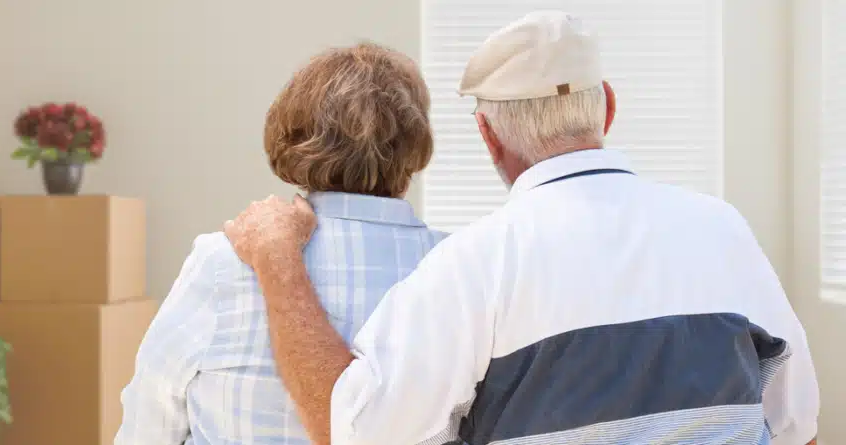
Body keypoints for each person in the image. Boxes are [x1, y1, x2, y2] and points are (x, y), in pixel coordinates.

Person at [221, 10, 821, 445]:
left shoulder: (476, 263)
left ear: (488, 137)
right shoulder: (722, 230)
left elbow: (356, 433)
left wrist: (278, 262)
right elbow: (799, 425)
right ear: (607, 106)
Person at [113, 42, 448, 445]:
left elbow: (149, 422)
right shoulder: (456, 267)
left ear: (292, 137)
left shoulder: (225, 262)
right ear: (415, 146)